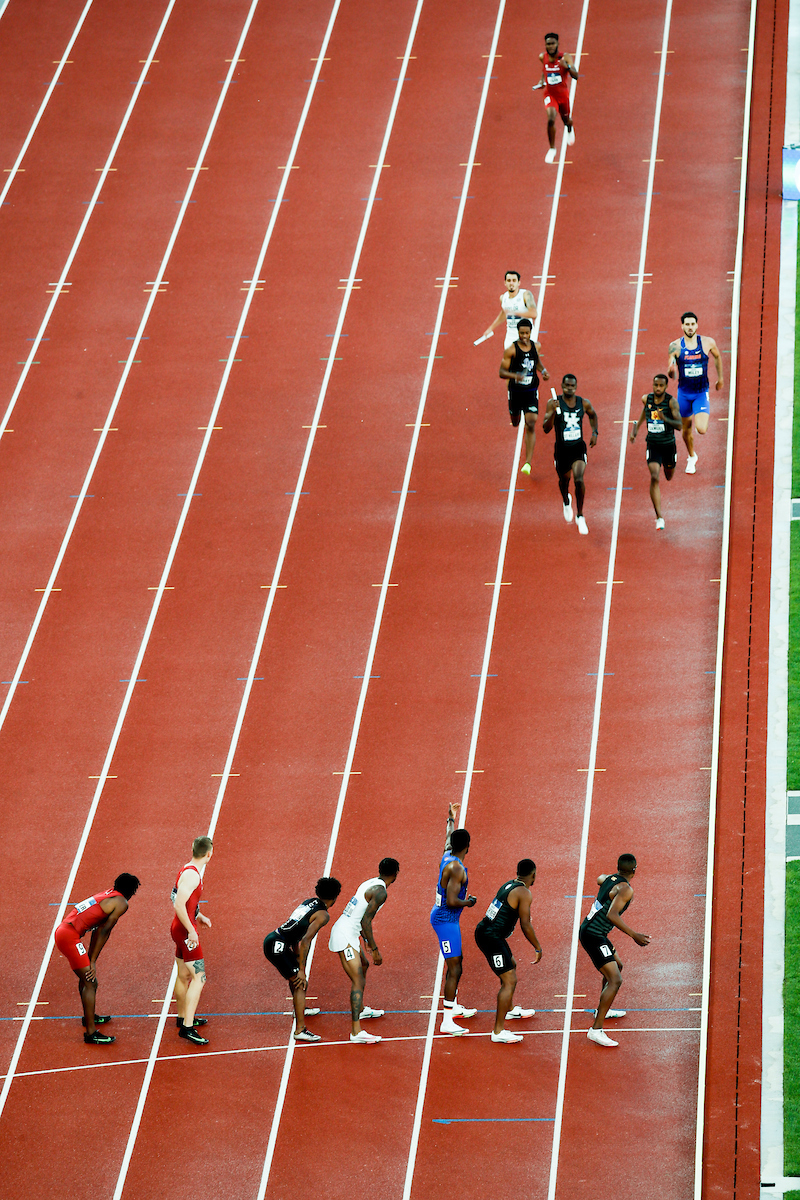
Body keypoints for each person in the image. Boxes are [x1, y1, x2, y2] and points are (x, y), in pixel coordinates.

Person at [54, 873, 140, 1044]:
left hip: (65, 931)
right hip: (68, 936)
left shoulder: (108, 894)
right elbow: (103, 930)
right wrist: (91, 960)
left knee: (86, 977)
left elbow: (98, 929)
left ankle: (89, 1017)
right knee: (91, 982)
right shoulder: (121, 903)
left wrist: (91, 959)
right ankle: (91, 1033)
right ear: (131, 891)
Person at [579, 853, 651, 1047]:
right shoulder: (626, 889)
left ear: (618, 868)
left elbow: (600, 878)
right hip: (593, 935)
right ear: (634, 870)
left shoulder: (610, 879)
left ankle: (602, 1009)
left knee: (617, 966)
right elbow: (612, 915)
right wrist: (634, 935)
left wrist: (607, 882)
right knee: (615, 980)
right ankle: (596, 1030)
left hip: (594, 931)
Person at [328, 858, 399, 1044]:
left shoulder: (369, 882)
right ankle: (356, 1031)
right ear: (395, 874)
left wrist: (365, 940)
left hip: (350, 931)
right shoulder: (381, 892)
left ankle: (360, 1010)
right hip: (345, 935)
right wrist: (374, 948)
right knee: (358, 979)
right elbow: (365, 920)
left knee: (364, 965)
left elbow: (359, 915)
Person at [263, 877, 342, 1043]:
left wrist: (297, 956)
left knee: (295, 979)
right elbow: (306, 940)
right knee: (300, 983)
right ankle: (300, 1030)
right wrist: (301, 969)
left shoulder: (309, 902)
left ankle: (300, 1009)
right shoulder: (323, 915)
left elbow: (294, 930)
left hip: (274, 938)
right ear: (335, 897)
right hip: (278, 947)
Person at [474, 859, 543, 1044]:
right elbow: (525, 924)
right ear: (533, 874)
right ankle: (498, 1031)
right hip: (490, 937)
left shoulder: (509, 885)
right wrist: (537, 946)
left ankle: (510, 1009)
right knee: (509, 980)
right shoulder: (524, 893)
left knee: (511, 965)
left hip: (488, 932)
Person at [429, 803, 477, 1036]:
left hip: (446, 918)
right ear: (468, 846)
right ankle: (447, 1021)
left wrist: (451, 819)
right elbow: (451, 901)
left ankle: (453, 1006)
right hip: (446, 919)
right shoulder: (457, 869)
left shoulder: (447, 855)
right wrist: (469, 902)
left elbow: (448, 838)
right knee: (455, 967)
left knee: (457, 963)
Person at [667, 311, 724, 473]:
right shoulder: (675, 346)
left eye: (692, 324)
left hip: (700, 393)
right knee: (686, 430)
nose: (690, 327)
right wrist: (671, 370)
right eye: (687, 324)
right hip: (684, 394)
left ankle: (692, 453)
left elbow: (717, 357)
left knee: (701, 429)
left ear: (697, 325)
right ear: (682, 326)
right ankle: (692, 456)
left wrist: (720, 378)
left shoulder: (707, 342)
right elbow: (671, 372)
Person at [170, 835, 214, 1046]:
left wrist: (199, 915)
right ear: (209, 854)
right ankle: (187, 1028)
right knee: (199, 977)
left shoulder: (186, 869)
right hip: (185, 931)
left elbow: (185, 902)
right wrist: (191, 931)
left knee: (183, 975)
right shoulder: (192, 876)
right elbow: (178, 904)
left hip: (180, 928)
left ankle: (182, 1017)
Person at [542, 374, 598, 534]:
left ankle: (580, 515)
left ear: (576, 387)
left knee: (579, 479)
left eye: (572, 386)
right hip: (561, 450)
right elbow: (546, 428)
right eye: (567, 385)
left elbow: (593, 415)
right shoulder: (553, 403)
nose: (569, 388)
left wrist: (594, 432)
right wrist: (554, 412)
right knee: (564, 480)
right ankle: (566, 501)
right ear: (562, 386)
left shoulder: (583, 403)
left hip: (578, 448)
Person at [630, 374, 682, 529]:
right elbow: (645, 411)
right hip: (653, 445)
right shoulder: (647, 399)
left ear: (666, 387)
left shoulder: (671, 402)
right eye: (655, 385)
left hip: (668, 446)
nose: (658, 388)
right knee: (654, 476)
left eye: (661, 385)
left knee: (669, 475)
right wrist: (636, 428)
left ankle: (669, 467)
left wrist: (665, 418)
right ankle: (659, 517)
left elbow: (679, 425)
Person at [499, 318, 550, 475]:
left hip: (531, 391)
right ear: (518, 332)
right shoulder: (511, 350)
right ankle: (515, 417)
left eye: (527, 333)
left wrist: (543, 371)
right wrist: (515, 376)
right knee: (516, 422)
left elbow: (536, 361)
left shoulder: (536, 346)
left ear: (531, 332)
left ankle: (527, 462)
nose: (524, 336)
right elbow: (501, 372)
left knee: (531, 423)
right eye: (522, 333)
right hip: (515, 392)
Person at [533, 32, 578, 163]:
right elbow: (544, 70)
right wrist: (542, 81)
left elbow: (576, 75)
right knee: (551, 119)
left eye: (553, 43)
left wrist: (567, 67)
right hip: (550, 94)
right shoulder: (542, 57)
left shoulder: (565, 57)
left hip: (562, 96)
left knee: (566, 120)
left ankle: (569, 128)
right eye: (548, 44)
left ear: (557, 44)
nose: (550, 46)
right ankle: (552, 149)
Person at [480, 271, 538, 349]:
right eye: (509, 280)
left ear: (518, 283)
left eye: (514, 280)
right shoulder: (503, 298)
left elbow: (534, 314)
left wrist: (515, 313)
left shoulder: (525, 295)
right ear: (505, 283)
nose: (511, 283)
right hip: (511, 337)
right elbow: (504, 313)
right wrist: (490, 328)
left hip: (526, 335)